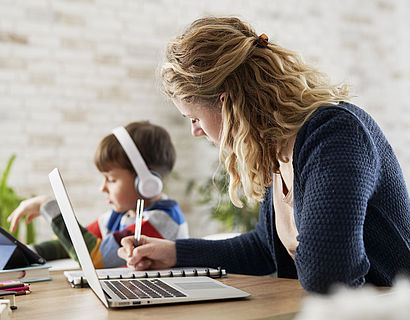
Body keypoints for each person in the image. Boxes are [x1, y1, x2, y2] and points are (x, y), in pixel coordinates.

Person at [117, 16, 410, 294]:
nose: (195, 131)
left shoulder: (335, 134)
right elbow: (265, 248)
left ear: (228, 103)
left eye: (194, 118)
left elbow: (328, 274)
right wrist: (173, 253)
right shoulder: (275, 148)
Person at [8, 121, 189, 268]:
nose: (102, 188)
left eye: (111, 179)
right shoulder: (119, 216)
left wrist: (46, 205)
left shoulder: (161, 221)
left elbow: (95, 258)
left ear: (146, 182)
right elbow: (75, 242)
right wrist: (22, 254)